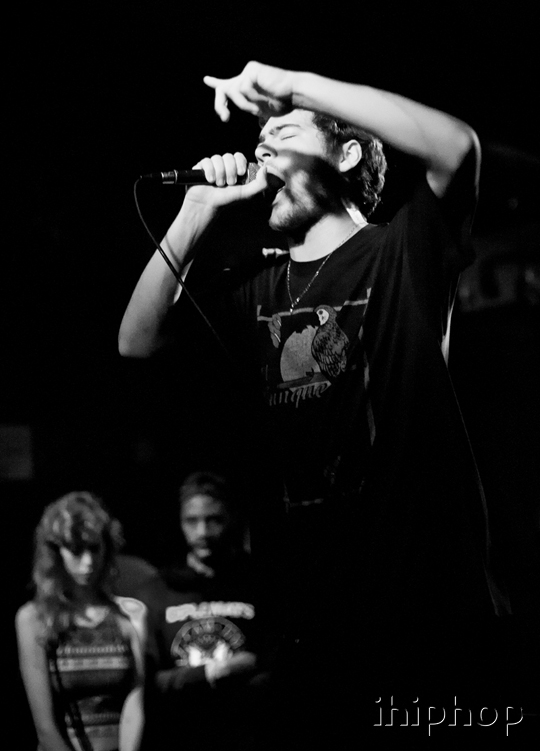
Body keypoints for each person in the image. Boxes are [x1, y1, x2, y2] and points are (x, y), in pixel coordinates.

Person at [119, 62, 510, 739]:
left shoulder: (400, 252)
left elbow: (457, 147)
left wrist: (290, 87)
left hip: (425, 609)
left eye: (286, 134)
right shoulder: (257, 285)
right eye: (261, 141)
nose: (264, 148)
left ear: (348, 154)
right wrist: (195, 212)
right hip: (315, 621)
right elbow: (136, 341)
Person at [135, 470, 270, 750]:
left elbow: (273, 665)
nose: (202, 532)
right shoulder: (157, 592)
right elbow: (147, 684)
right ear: (179, 522)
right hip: (182, 736)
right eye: (192, 521)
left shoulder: (259, 585)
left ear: (231, 518)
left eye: (213, 520)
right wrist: (214, 672)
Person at [15, 491, 146, 751]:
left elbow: (135, 700)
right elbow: (45, 728)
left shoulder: (130, 614)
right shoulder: (35, 619)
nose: (88, 562)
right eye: (75, 550)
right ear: (55, 553)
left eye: (94, 548)